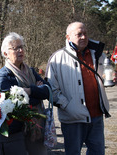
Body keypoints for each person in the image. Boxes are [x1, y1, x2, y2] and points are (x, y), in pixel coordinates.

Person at [46, 21, 111, 155]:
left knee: (98, 152)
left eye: (85, 33)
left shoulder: (97, 54)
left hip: (96, 116)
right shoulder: (57, 59)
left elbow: (104, 77)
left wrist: (109, 78)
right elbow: (51, 89)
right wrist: (68, 106)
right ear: (68, 37)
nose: (83, 37)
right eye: (79, 34)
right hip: (73, 119)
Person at [0, 32, 50, 155]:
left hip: (37, 128)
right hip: (16, 130)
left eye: (22, 47)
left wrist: (29, 91)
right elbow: (10, 102)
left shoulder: (30, 71)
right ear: (5, 53)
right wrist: (37, 92)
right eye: (16, 48)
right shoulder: (3, 75)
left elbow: (47, 91)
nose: (21, 50)